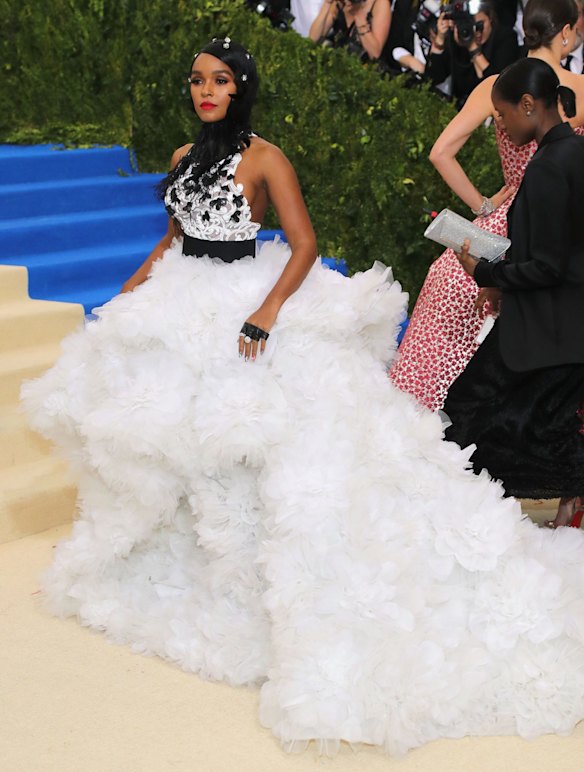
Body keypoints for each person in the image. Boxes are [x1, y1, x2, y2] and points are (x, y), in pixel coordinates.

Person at [22, 38, 584, 757]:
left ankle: (258, 589)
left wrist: (267, 310)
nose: (206, 91)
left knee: (254, 443)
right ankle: (183, 575)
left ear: (242, 88)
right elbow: (170, 240)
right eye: (197, 80)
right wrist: (129, 293)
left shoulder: (266, 157)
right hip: (180, 300)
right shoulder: (179, 159)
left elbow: (303, 244)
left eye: (220, 80)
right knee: (165, 440)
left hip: (246, 299)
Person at [389, 0, 584, 413]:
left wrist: (486, 204)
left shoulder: (494, 85)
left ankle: (420, 433)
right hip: (550, 235)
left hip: (494, 234)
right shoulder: (578, 90)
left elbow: (441, 152)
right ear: (565, 31)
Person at [444, 57, 584, 528]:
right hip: (566, 327)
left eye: (502, 115)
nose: (499, 125)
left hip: (546, 325)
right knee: (549, 425)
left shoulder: (548, 166)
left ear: (529, 105)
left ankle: (468, 524)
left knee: (463, 411)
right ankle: (557, 513)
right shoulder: (575, 153)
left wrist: (486, 271)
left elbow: (547, 265)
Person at [425, 0, 520, 108]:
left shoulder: (505, 38)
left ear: (490, 19)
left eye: (479, 25)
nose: (476, 32)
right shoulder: (457, 38)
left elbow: (499, 86)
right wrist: (440, 41)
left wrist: (473, 49)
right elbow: (431, 80)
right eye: (470, 26)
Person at [309, 0, 392, 62]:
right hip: (335, 65)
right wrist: (327, 4)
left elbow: (374, 54)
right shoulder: (339, 2)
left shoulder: (380, 3)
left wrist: (359, 18)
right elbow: (313, 39)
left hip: (364, 72)